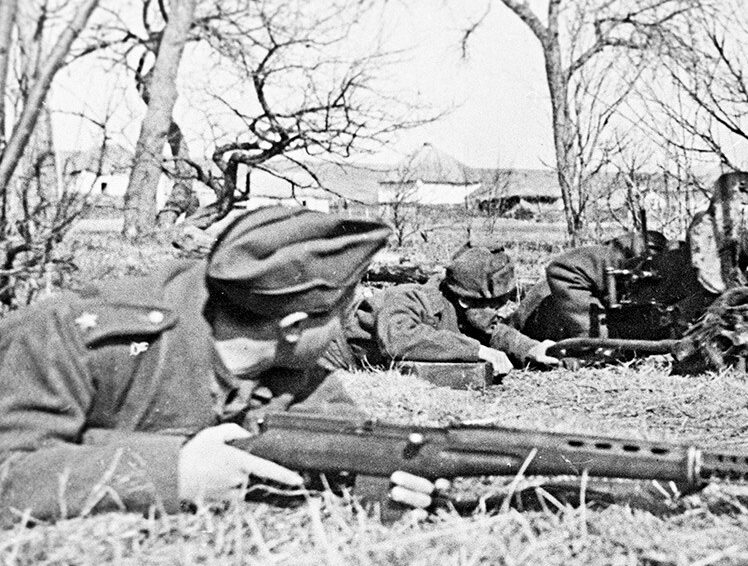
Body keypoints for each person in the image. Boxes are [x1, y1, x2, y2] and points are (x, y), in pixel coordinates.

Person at [0, 206, 440, 525]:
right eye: (342, 313)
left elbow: (340, 443)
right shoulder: (78, 337)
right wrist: (176, 474)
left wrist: (391, 481)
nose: (349, 323)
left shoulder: (295, 374)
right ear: (294, 327)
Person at [327, 245, 559, 378]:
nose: (502, 311)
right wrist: (477, 351)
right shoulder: (412, 298)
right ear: (466, 302)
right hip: (329, 355)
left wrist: (531, 349)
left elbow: (493, 332)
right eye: (495, 306)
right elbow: (398, 340)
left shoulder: (462, 307)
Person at [512, 230, 709, 343]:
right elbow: (563, 269)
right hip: (543, 319)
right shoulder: (647, 259)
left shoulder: (701, 269)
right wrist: (594, 343)